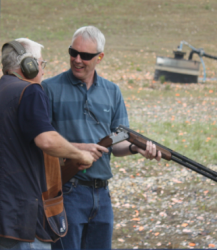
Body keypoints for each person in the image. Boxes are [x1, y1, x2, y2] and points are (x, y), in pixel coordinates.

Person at [42, 26, 162, 250]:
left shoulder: (112, 91)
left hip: (102, 193)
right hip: (67, 190)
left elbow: (118, 143)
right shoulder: (49, 88)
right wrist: (78, 150)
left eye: (85, 56)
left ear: (100, 57)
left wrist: (138, 149)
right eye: (73, 52)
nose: (77, 60)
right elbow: (42, 141)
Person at [0, 38, 94, 250]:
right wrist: (80, 155)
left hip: (0, 217)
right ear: (29, 65)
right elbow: (46, 139)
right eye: (41, 63)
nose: (42, 70)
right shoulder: (30, 91)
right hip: (25, 220)